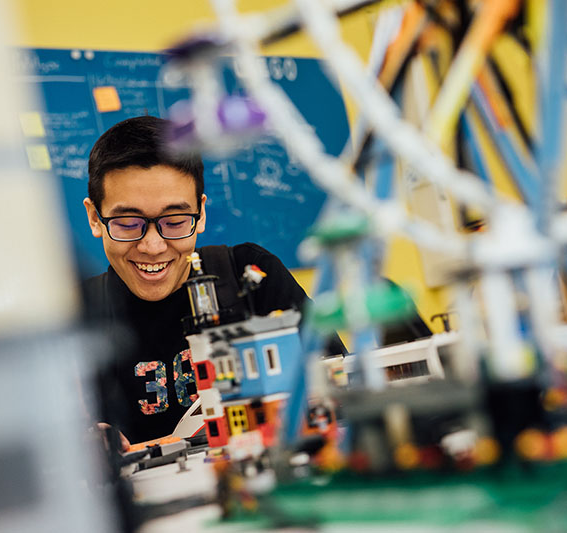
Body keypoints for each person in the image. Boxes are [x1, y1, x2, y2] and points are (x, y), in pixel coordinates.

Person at [82, 115, 428, 445]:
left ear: (201, 214)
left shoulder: (251, 276)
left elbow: (333, 384)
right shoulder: (74, 318)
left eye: (174, 221)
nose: (153, 246)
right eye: (127, 223)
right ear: (95, 219)